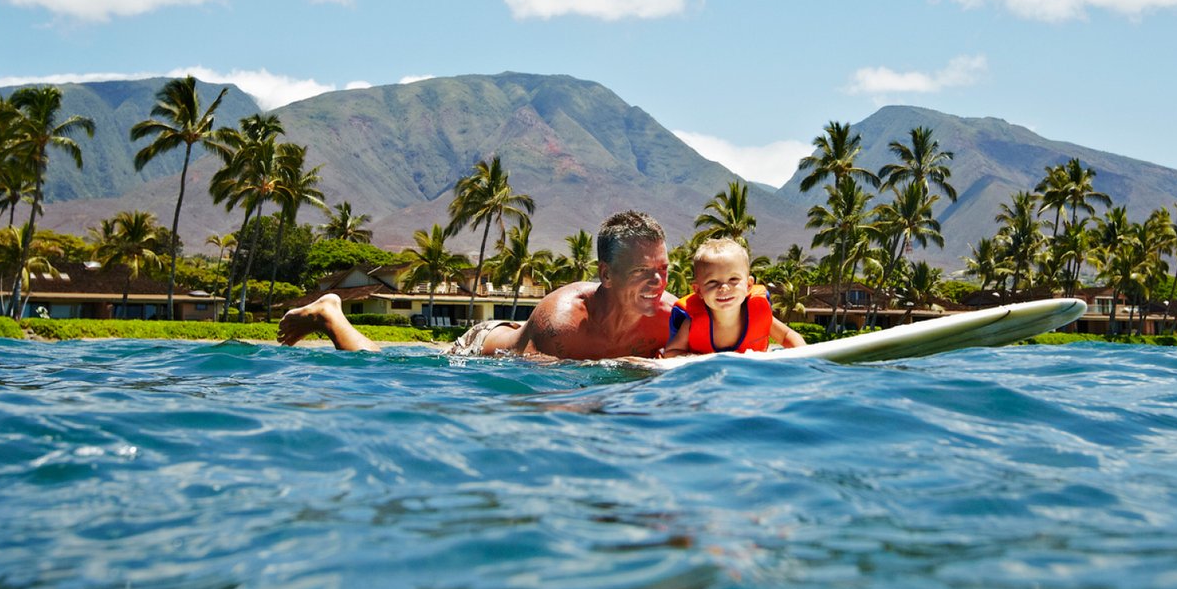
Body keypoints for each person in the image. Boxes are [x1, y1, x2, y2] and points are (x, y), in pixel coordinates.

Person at [278, 210, 676, 361]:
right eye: (643, 271)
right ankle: (331, 313)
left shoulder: (672, 316)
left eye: (663, 269)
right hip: (482, 349)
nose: (657, 282)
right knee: (378, 364)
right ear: (606, 274)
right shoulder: (563, 324)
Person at [662, 237, 806, 356]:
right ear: (698, 290)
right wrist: (695, 360)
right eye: (712, 282)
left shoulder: (759, 314)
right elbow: (672, 352)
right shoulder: (691, 323)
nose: (724, 288)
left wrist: (805, 357)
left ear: (749, 285)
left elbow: (787, 335)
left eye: (733, 280)